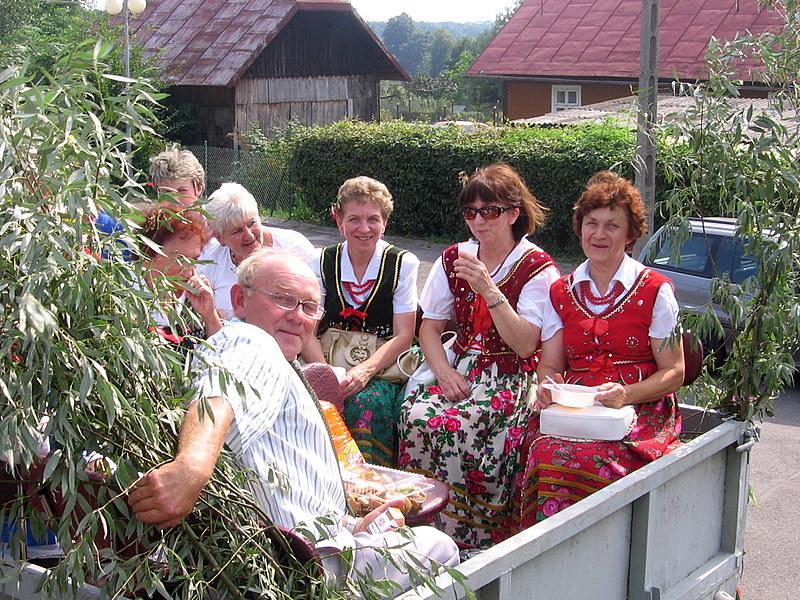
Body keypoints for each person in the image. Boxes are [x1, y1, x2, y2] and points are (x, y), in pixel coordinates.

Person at [127, 249, 458, 591]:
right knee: (440, 547)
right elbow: (220, 395)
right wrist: (190, 467)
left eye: (310, 307)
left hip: (287, 555)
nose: (299, 317)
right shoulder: (252, 341)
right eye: (283, 299)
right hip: (303, 569)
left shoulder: (263, 356)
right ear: (240, 300)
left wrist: (353, 526)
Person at [397, 162, 560, 549]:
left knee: (458, 427)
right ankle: (420, 526)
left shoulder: (536, 268)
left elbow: (525, 344)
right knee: (414, 415)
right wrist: (443, 372)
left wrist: (489, 289)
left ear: (513, 214)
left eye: (489, 211)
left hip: (510, 376)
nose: (478, 221)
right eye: (471, 212)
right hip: (460, 367)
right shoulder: (455, 258)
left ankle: (473, 536)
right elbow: (429, 328)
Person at [519, 171, 684, 528]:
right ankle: (543, 547)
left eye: (612, 226)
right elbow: (550, 364)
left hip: (642, 409)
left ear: (630, 234)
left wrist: (627, 394)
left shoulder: (656, 290)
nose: (599, 234)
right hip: (576, 407)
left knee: (595, 459)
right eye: (591, 223)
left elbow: (674, 371)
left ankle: (606, 547)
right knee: (534, 447)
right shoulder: (561, 292)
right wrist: (547, 387)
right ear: (580, 228)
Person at [303, 176, 419, 467]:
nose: (364, 228)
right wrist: (328, 376)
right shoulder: (320, 261)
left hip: (381, 366)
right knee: (309, 401)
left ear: (385, 222)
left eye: (373, 219)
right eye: (354, 219)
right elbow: (307, 329)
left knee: (367, 403)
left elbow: (404, 335)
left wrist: (365, 371)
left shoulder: (402, 264)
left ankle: (369, 481)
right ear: (339, 221)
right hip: (326, 359)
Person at [199, 182, 315, 320]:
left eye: (252, 223)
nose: (249, 235)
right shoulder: (210, 260)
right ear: (220, 238)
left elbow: (315, 304)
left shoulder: (294, 247)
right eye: (237, 231)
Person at [136, 203, 221, 341]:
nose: (189, 272)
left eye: (194, 260)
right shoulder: (121, 298)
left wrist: (210, 315)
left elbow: (221, 349)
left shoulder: (193, 300)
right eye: (179, 260)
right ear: (149, 253)